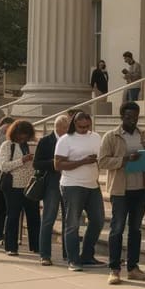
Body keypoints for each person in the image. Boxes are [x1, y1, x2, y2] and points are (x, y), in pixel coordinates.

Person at [99, 101, 145, 285]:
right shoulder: (111, 136)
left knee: (136, 230)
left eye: (136, 117)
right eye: (129, 117)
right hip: (120, 190)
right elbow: (103, 162)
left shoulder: (144, 135)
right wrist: (124, 160)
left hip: (140, 188)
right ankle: (114, 269)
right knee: (116, 229)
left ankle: (133, 267)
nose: (133, 120)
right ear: (122, 117)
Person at [55, 110, 105, 271]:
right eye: (81, 126)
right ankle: (73, 259)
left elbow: (101, 158)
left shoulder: (96, 137)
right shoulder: (65, 140)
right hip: (72, 185)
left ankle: (87, 256)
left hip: (92, 184)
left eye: (87, 126)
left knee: (98, 220)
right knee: (72, 224)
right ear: (74, 124)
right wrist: (83, 161)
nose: (84, 129)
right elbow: (58, 165)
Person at [0, 120, 41, 257]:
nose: (23, 138)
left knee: (34, 216)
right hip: (13, 186)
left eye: (26, 135)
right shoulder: (7, 145)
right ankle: (11, 246)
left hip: (30, 185)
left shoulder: (33, 144)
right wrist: (22, 160)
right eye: (20, 134)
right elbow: (4, 166)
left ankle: (36, 245)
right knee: (13, 215)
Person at [34, 114, 70, 264]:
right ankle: (45, 254)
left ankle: (68, 253)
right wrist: (56, 163)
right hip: (52, 182)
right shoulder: (45, 141)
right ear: (60, 127)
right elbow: (37, 164)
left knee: (69, 219)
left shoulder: (71, 140)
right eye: (69, 127)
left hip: (69, 182)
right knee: (49, 218)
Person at [0, 115, 15, 244]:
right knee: (1, 208)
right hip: (1, 177)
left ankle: (2, 234)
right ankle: (0, 234)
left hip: (9, 177)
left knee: (4, 208)